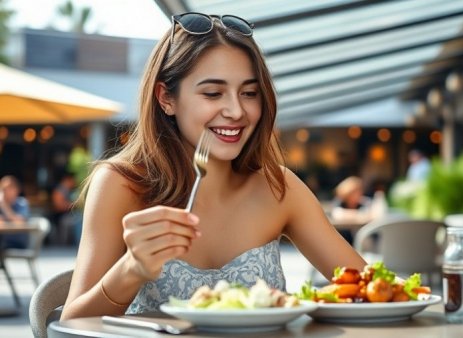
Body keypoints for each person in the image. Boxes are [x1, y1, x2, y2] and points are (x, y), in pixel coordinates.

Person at [61, 13, 366, 319]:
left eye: (249, 93)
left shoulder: (278, 187)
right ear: (166, 97)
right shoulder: (120, 184)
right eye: (212, 93)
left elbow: (368, 286)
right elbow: (70, 326)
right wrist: (130, 269)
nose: (236, 111)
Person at [330, 176, 373, 244]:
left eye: (359, 191)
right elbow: (337, 214)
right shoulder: (339, 202)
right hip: (342, 239)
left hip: (360, 238)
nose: (359, 193)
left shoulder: (364, 202)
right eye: (355, 192)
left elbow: (370, 214)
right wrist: (359, 215)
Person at [0, 175, 30, 249]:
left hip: (16, 242)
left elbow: (19, 221)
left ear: (17, 190)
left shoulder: (22, 203)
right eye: (4, 189)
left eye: (10, 188)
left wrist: (3, 205)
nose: (7, 192)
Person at [50, 173, 77, 245]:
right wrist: (72, 205)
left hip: (66, 214)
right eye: (72, 180)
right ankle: (63, 243)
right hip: (59, 216)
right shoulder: (60, 190)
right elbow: (58, 206)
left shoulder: (69, 190)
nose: (74, 182)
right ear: (67, 180)